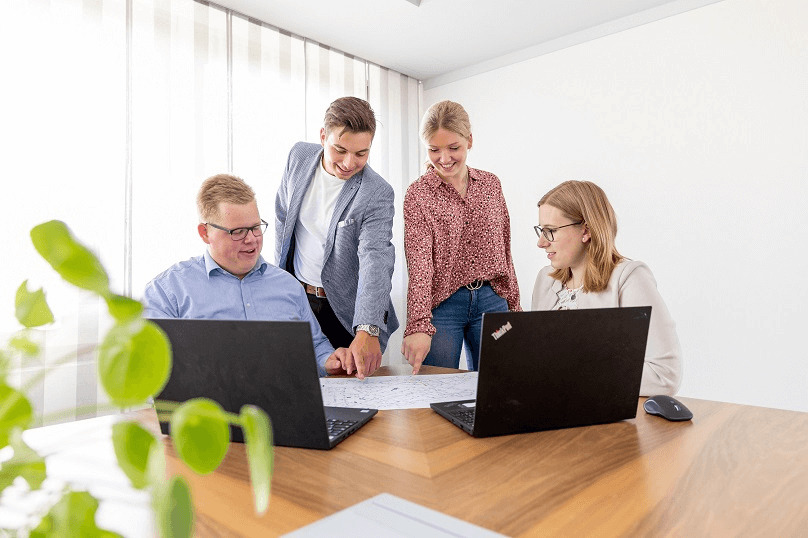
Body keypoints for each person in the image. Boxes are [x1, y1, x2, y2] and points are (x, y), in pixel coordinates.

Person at [144, 173, 352, 377]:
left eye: (255, 227)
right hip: (207, 409)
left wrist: (330, 361)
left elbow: (315, 346)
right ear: (205, 233)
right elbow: (152, 368)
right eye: (238, 232)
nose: (252, 240)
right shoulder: (167, 291)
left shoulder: (288, 286)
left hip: (282, 406)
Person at [275, 96, 399, 380]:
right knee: (295, 385)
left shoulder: (376, 192)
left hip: (344, 310)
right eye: (340, 150)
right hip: (299, 299)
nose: (348, 162)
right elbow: (283, 215)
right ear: (322, 136)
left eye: (361, 154)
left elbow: (376, 258)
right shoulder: (298, 157)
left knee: (349, 398)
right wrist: (278, 283)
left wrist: (367, 327)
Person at [531, 180, 682, 395]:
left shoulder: (629, 279)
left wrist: (572, 372)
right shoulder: (545, 280)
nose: (541, 242)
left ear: (586, 230)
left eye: (551, 231)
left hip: (605, 419)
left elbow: (664, 375)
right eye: (541, 230)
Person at [402, 100, 520, 374]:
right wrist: (418, 323)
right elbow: (419, 264)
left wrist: (514, 306)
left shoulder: (491, 184)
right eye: (434, 149)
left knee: (500, 382)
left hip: (493, 303)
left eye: (453, 148)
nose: (444, 158)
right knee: (437, 388)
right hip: (444, 308)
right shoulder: (418, 195)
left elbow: (504, 246)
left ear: (470, 141)